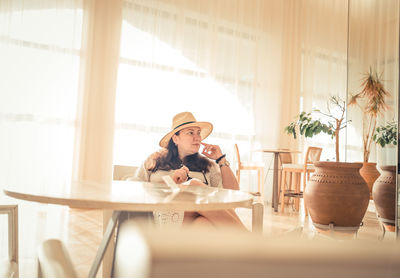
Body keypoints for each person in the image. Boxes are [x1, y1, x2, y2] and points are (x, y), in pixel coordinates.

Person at [135, 111, 247, 230]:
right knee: (194, 185)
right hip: (160, 217)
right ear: (175, 139)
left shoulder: (208, 166)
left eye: (198, 133)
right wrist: (172, 183)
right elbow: (136, 190)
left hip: (192, 222)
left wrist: (221, 160)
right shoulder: (154, 160)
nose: (197, 137)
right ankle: (248, 239)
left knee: (203, 224)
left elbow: (232, 195)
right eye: (190, 133)